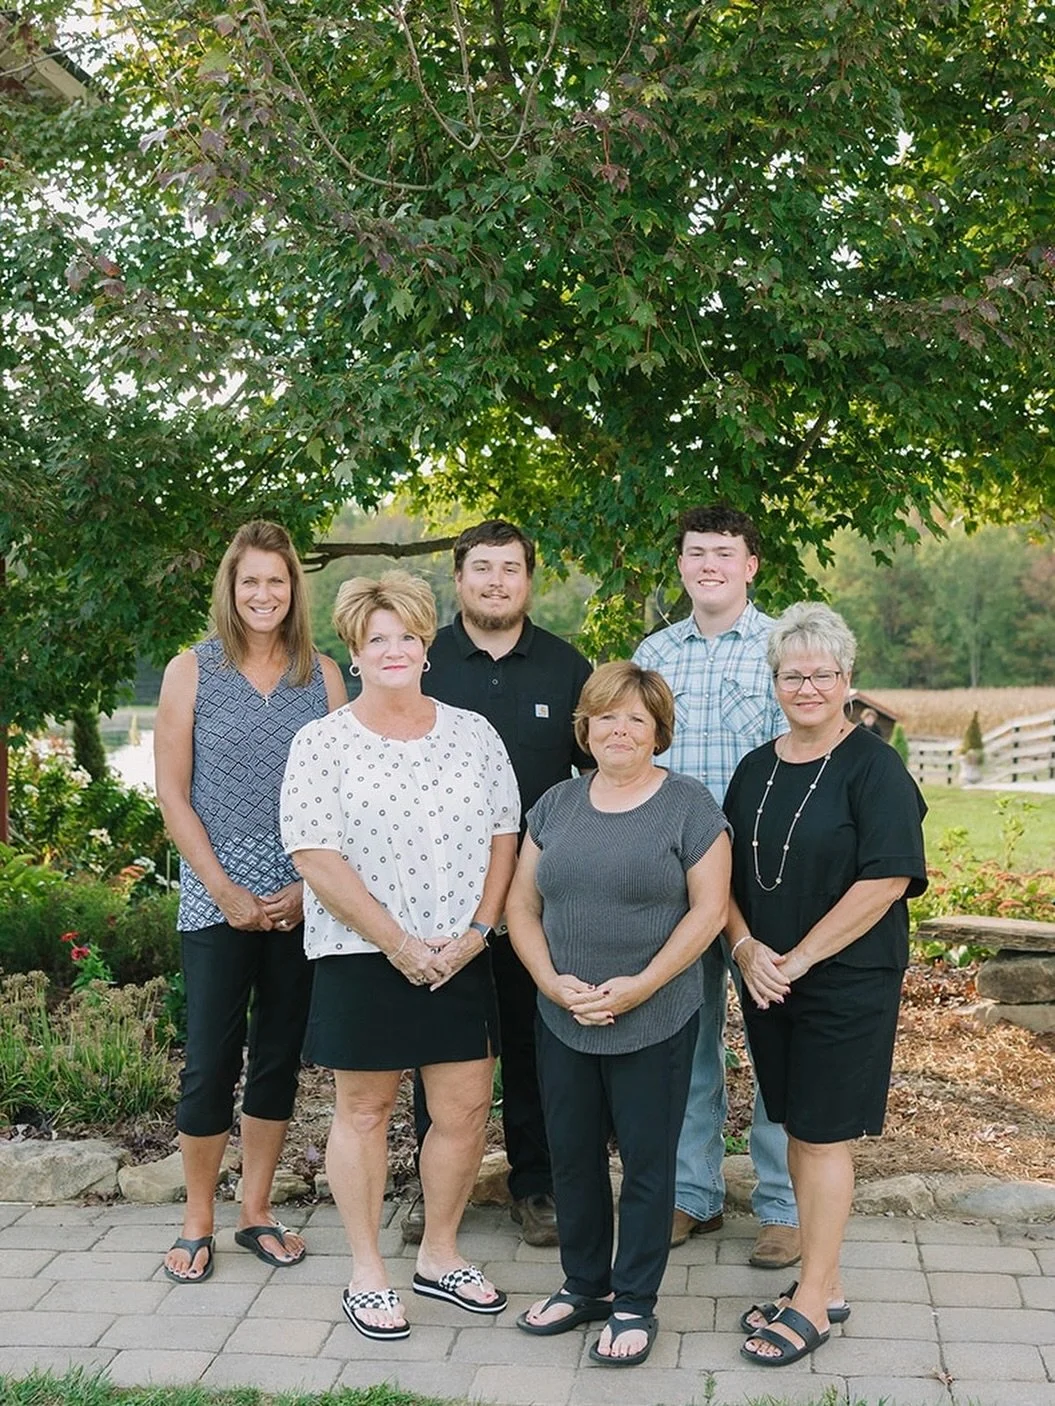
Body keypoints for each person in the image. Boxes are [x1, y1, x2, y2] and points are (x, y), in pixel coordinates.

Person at [280, 570, 520, 1339]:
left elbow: (503, 836)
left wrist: (478, 934)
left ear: (426, 648)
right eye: (375, 638)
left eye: (406, 637)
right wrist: (400, 944)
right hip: (363, 955)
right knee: (365, 1109)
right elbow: (315, 855)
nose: (393, 649)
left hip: (460, 954)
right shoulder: (321, 743)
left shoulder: (472, 733)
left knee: (463, 1110)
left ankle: (439, 1255)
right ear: (354, 652)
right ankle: (367, 1272)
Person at [507, 661, 731, 1367]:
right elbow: (520, 903)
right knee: (570, 1158)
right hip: (563, 1014)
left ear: (657, 730)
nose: (619, 729)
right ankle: (584, 1287)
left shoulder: (688, 806)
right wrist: (547, 980)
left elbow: (708, 911)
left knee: (645, 1165)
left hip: (655, 1016)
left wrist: (641, 985)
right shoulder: (555, 805)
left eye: (635, 717)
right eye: (605, 716)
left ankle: (633, 1301)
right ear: (586, 727)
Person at [727, 603, 927, 1367]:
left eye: (822, 673)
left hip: (844, 979)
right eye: (792, 674)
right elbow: (724, 872)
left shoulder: (874, 767)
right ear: (773, 680)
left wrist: (799, 957)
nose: (806, 686)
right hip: (767, 979)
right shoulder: (756, 766)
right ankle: (827, 1279)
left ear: (847, 680)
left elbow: (886, 880)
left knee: (820, 1133)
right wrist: (746, 948)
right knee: (795, 1128)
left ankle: (811, 1301)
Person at [155, 519, 347, 1284]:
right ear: (231, 592)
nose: (263, 594)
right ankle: (196, 1217)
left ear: (294, 589)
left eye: (277, 580)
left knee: (276, 1059)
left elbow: (342, 796)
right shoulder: (190, 671)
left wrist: (308, 888)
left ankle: (255, 1212)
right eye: (250, 582)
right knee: (208, 1060)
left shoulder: (325, 677)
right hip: (214, 898)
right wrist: (223, 888)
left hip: (303, 896)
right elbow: (172, 792)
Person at [401, 519, 593, 1249]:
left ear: (528, 579)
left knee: (535, 1045)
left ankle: (536, 1187)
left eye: (509, 568)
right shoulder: (424, 662)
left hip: (534, 901)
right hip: (438, 897)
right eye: (481, 568)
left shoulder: (564, 667)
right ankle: (432, 1188)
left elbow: (594, 779)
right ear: (458, 579)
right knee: (441, 1045)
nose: (495, 581)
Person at [633, 504, 799, 1269]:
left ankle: (783, 1207)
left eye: (723, 554)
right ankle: (689, 1195)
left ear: (749, 565)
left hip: (764, 871)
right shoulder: (654, 653)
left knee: (774, 1040)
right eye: (695, 552)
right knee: (684, 1042)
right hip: (675, 877)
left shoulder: (777, 648)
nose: (708, 565)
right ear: (681, 565)